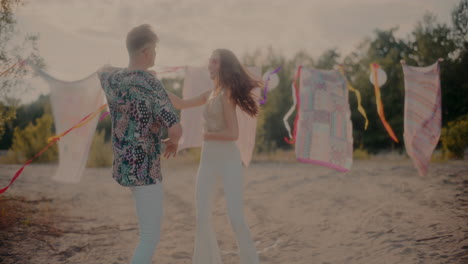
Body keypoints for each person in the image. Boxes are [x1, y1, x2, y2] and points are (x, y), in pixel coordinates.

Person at [97, 24, 182, 264]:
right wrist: (173, 142)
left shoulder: (112, 78)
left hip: (124, 167)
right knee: (149, 237)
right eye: (154, 49)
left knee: (146, 232)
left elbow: (100, 68)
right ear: (145, 51)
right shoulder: (151, 84)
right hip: (146, 170)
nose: (156, 54)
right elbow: (175, 127)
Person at [168, 49, 261, 264]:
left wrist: (205, 135)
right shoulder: (210, 93)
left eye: (214, 61)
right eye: (209, 61)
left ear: (223, 66)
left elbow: (233, 134)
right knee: (202, 218)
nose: (209, 65)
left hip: (228, 160)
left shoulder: (227, 93)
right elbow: (180, 103)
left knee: (236, 218)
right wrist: (155, 90)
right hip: (207, 161)